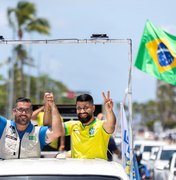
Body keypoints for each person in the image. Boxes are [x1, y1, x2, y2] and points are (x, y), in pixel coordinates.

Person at [44, 91, 116, 160]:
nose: (82, 111)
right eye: (79, 108)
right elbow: (55, 130)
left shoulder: (101, 125)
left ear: (93, 108)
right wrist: (51, 105)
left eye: (86, 108)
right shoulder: (73, 125)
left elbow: (111, 125)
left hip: (97, 170)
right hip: (78, 170)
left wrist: (109, 111)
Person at [0, 92, 63, 159]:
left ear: (31, 113)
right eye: (20, 109)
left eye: (27, 110)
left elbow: (57, 132)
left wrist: (52, 104)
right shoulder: (4, 126)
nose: (23, 113)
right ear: (14, 112)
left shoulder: (38, 132)